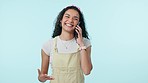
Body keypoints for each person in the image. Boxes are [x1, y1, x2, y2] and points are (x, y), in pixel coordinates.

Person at [38, 5, 93, 83]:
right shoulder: (48, 45)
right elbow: (42, 76)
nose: (70, 20)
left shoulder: (85, 43)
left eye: (75, 18)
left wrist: (81, 44)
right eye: (67, 16)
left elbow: (87, 71)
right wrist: (41, 78)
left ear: (78, 23)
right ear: (61, 20)